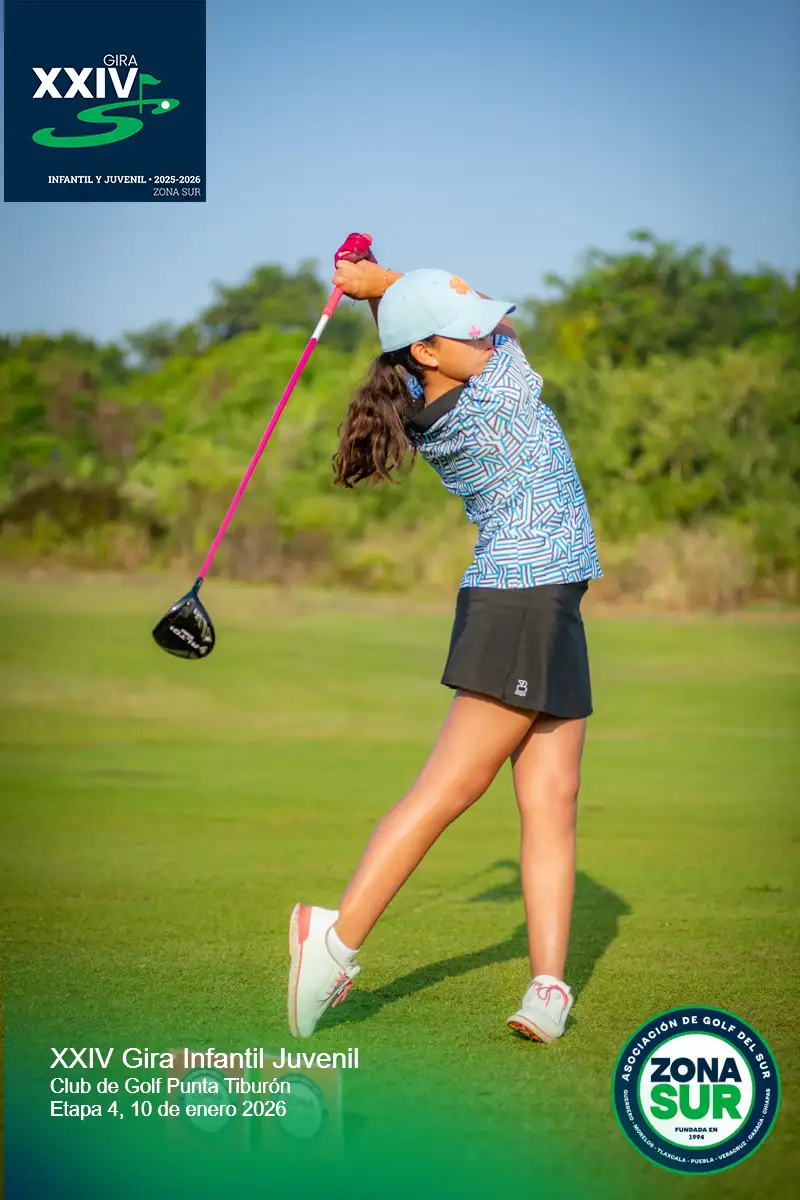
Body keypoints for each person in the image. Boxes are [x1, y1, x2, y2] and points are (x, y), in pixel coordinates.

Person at [287, 247, 602, 1044]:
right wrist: (382, 283)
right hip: (523, 603)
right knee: (451, 786)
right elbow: (458, 331)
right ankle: (333, 942)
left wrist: (377, 293)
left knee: (553, 799)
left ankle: (548, 987)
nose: (491, 336)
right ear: (429, 351)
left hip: (545, 601)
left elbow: (411, 338)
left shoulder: (428, 394)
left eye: (487, 329)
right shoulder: (498, 390)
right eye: (473, 332)